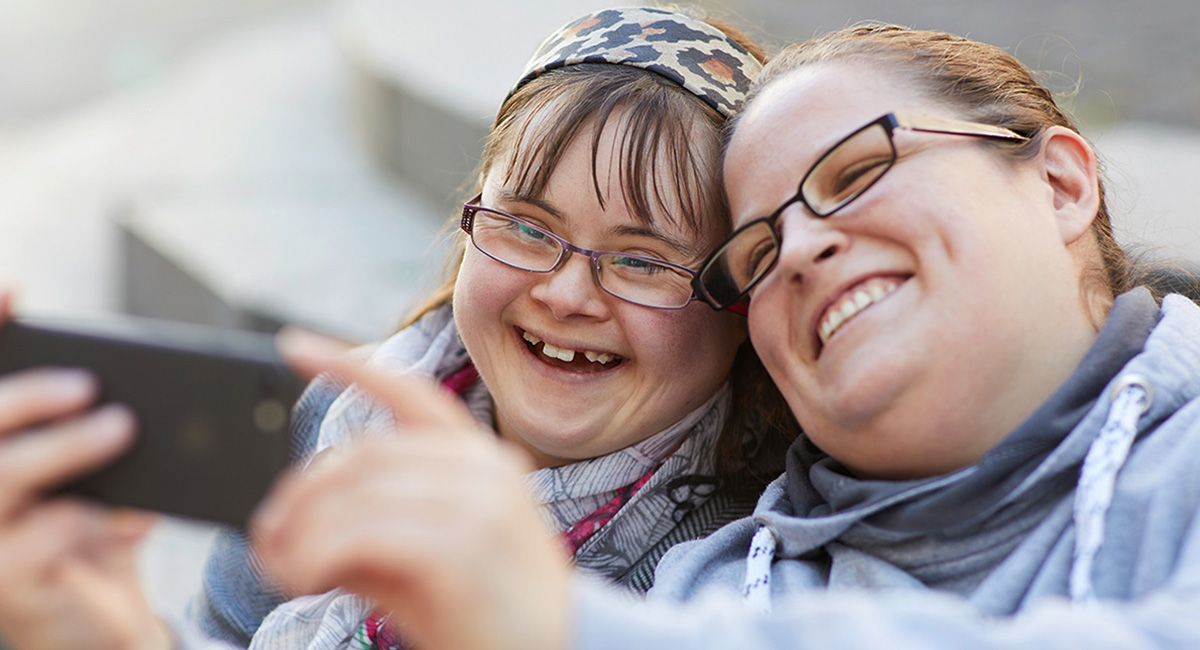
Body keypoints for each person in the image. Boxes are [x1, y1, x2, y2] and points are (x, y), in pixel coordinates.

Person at [261, 21, 1200, 650]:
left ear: (1062, 184)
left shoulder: (665, 594)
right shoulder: (731, 584)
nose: (799, 248)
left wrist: (552, 619)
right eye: (757, 250)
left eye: (856, 170)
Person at [0, 6, 797, 650]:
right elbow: (228, 629)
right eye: (525, 226)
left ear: (740, 309)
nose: (565, 292)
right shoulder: (337, 420)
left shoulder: (727, 577)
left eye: (642, 261)